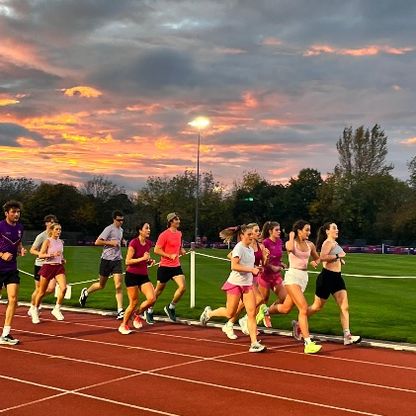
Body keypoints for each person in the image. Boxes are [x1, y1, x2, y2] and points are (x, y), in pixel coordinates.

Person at [200, 224, 266, 353]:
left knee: (252, 313)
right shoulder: (239, 248)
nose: (251, 236)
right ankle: (209, 313)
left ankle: (254, 343)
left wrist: (257, 268)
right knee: (230, 313)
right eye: (249, 234)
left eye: (252, 234)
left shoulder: (250, 249)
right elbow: (234, 266)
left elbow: (249, 265)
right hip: (235, 284)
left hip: (247, 285)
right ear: (242, 236)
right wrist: (251, 269)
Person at [306, 222, 361, 345]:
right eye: (334, 228)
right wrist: (337, 256)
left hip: (337, 278)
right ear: (327, 231)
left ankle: (347, 335)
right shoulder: (327, 243)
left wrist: (340, 259)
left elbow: (333, 256)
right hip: (327, 278)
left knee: (344, 306)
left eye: (337, 228)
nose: (337, 230)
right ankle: (300, 322)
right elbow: (322, 256)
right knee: (317, 307)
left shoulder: (335, 243)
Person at [284, 220, 322, 354]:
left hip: (303, 278)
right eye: (306, 230)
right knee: (303, 308)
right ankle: (308, 343)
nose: (309, 232)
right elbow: (289, 248)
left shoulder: (310, 244)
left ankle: (265, 312)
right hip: (292, 276)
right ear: (299, 231)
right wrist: (291, 235)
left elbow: (318, 258)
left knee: (285, 308)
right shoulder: (291, 242)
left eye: (309, 230)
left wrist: (315, 262)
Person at [79, 211, 125, 319]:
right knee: (101, 285)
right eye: (119, 220)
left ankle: (120, 310)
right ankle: (86, 292)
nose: (121, 222)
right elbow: (97, 242)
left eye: (122, 220)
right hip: (106, 260)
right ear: (114, 219)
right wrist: (110, 243)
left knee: (118, 285)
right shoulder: (108, 229)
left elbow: (118, 241)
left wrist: (121, 243)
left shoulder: (121, 230)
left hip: (117, 260)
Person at [147, 213, 186, 323]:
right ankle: (149, 310)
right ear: (170, 222)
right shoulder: (164, 235)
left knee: (182, 287)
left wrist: (181, 250)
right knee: (158, 291)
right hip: (165, 267)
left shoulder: (179, 233)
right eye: (176, 220)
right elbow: (156, 250)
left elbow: (178, 246)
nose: (178, 221)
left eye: (178, 219)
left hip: (176, 266)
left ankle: (171, 307)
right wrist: (169, 255)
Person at [118, 222, 156, 335]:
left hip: (143, 275)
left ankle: (137, 314)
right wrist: (143, 259)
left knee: (152, 299)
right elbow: (127, 261)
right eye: (146, 228)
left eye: (149, 228)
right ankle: (123, 325)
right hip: (132, 276)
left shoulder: (148, 243)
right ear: (140, 230)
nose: (149, 230)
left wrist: (149, 261)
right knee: (134, 302)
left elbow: (144, 259)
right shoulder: (134, 243)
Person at [0, 200, 26, 345]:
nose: (16, 214)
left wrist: (21, 249)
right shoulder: (0, 226)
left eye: (18, 212)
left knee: (13, 299)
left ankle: (5, 334)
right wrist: (1, 254)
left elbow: (18, 242)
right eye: (13, 212)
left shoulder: (20, 227)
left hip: (11, 268)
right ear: (6, 213)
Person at [31, 223, 67, 323]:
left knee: (64, 288)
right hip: (48, 267)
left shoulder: (61, 242)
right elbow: (41, 255)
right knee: (41, 292)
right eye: (57, 229)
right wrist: (51, 255)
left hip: (58, 267)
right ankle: (35, 309)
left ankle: (56, 309)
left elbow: (60, 254)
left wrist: (62, 259)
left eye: (60, 229)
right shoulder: (47, 241)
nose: (59, 231)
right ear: (51, 230)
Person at [254, 221, 287, 328]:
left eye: (279, 229)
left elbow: (277, 256)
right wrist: (272, 267)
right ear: (270, 231)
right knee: (262, 300)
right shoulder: (265, 243)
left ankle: (267, 312)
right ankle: (252, 323)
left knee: (284, 297)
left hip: (276, 276)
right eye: (277, 230)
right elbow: (262, 261)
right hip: (265, 275)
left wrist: (281, 263)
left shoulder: (279, 241)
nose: (279, 232)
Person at [28, 214, 58, 317]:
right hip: (40, 265)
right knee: (39, 289)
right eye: (51, 222)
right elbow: (32, 250)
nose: (53, 224)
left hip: (51, 265)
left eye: (54, 222)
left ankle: (36, 302)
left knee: (51, 288)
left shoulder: (55, 235)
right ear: (46, 223)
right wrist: (42, 254)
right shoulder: (41, 236)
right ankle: (33, 307)